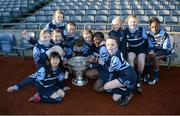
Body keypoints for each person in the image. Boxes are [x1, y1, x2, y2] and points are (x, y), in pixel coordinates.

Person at [97, 37, 137, 106]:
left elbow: (110, 70)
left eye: (113, 45)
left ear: (117, 45)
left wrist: (102, 63)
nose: (110, 47)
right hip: (126, 74)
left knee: (107, 87)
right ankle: (126, 88)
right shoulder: (117, 51)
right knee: (115, 98)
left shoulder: (115, 57)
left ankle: (129, 92)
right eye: (108, 45)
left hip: (128, 76)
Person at [144, 17, 172, 85]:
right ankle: (147, 74)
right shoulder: (149, 35)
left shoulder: (165, 35)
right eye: (152, 27)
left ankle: (156, 77)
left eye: (156, 26)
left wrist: (155, 54)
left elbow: (165, 48)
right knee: (148, 56)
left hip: (164, 51)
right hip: (155, 51)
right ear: (150, 27)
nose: (154, 28)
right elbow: (151, 46)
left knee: (155, 58)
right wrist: (151, 51)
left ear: (159, 25)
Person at [124, 15, 148, 94]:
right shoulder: (126, 31)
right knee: (130, 57)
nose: (132, 23)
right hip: (132, 48)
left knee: (141, 58)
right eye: (131, 22)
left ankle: (140, 76)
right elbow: (124, 43)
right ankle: (132, 75)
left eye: (134, 22)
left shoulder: (141, 29)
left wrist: (151, 50)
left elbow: (147, 40)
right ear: (128, 22)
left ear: (137, 22)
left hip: (141, 48)